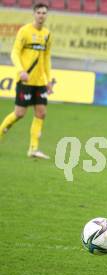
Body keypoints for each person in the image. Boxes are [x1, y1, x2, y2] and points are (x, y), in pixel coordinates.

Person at [0, 3, 53, 159]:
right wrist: (21, 70)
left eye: (44, 13)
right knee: (19, 113)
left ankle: (33, 149)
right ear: (34, 14)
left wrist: (48, 79)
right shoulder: (24, 31)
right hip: (25, 80)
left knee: (41, 112)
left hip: (40, 82)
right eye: (39, 12)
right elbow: (15, 53)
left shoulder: (47, 34)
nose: (42, 15)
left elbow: (46, 58)